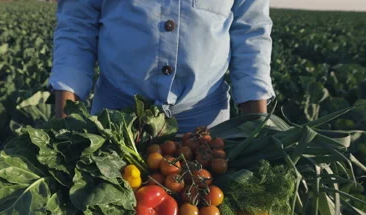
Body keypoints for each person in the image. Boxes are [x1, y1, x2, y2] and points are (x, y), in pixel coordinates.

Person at [48, 0, 276, 134]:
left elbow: (251, 34)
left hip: (205, 131)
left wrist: (257, 132)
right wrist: (66, 124)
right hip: (115, 124)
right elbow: (77, 26)